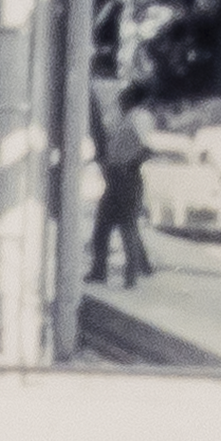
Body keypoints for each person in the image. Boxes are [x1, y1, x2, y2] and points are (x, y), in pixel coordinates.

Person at [86, 76, 154, 289]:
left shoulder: (139, 117)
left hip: (126, 177)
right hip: (116, 177)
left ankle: (130, 277)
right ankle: (99, 271)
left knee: (127, 227)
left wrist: (130, 165)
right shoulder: (126, 117)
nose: (120, 99)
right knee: (103, 227)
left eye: (125, 96)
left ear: (132, 97)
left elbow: (147, 148)